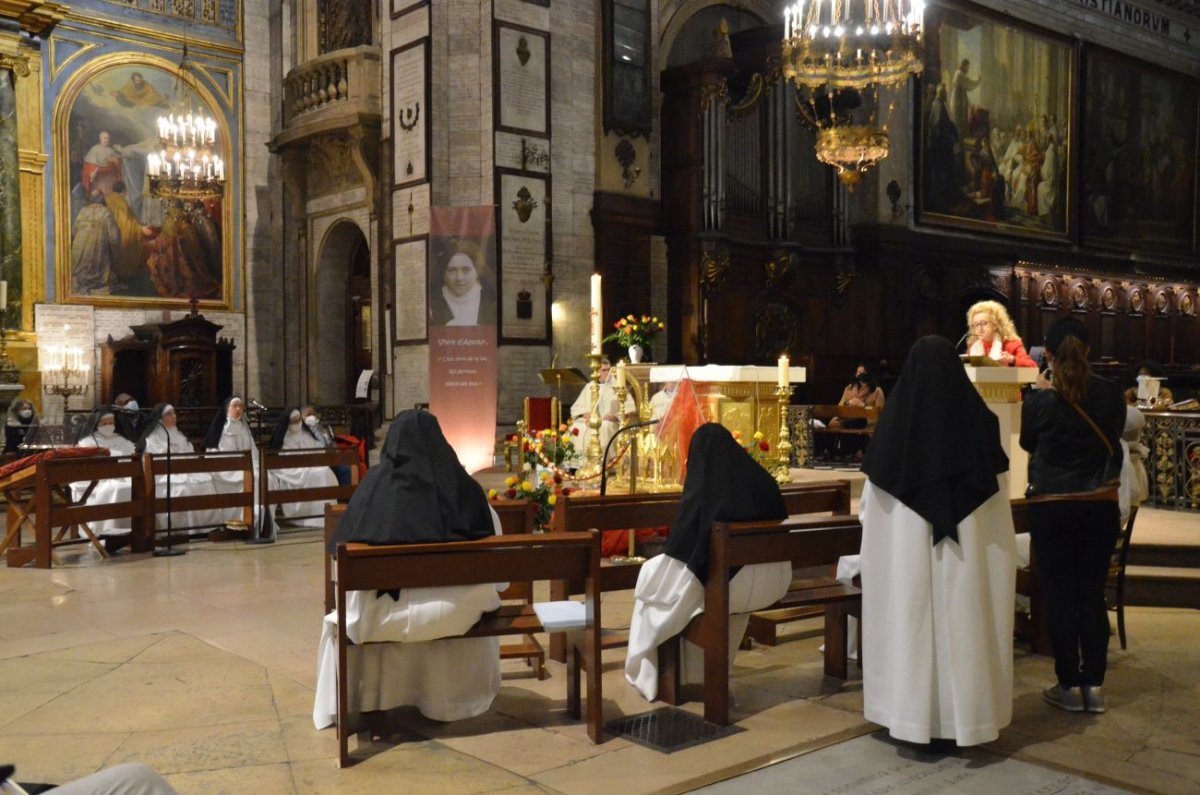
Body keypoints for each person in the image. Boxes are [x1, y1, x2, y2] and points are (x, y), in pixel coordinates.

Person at [859, 336, 1015, 746]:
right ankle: (968, 718)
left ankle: (909, 715)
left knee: (908, 622)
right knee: (967, 624)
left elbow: (871, 510)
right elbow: (998, 507)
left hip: (907, 557)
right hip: (968, 553)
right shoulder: (982, 425)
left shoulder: (893, 430)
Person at [313, 411, 506, 727]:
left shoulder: (372, 489)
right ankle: (449, 699)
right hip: (453, 615)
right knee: (471, 599)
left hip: (380, 619)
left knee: (360, 607)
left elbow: (340, 559)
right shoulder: (468, 490)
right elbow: (498, 575)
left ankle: (376, 696)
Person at [624, 423, 792, 701]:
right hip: (774, 581)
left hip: (732, 589)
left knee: (652, 584)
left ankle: (649, 672)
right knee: (694, 581)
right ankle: (699, 674)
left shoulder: (708, 490)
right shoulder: (764, 481)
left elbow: (682, 551)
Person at [1021, 317, 1125, 714]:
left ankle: (1067, 685)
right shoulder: (1111, 394)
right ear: (1089, 353)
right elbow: (1113, 437)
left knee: (1060, 596)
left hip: (1051, 506)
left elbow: (1030, 443)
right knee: (1091, 594)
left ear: (1046, 354)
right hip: (1099, 504)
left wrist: (1046, 393)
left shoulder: (1039, 401)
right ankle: (1094, 687)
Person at [138, 403, 224, 532]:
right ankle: (184, 529)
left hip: (184, 471)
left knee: (206, 484)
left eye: (174, 413)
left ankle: (206, 528)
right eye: (169, 414)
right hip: (163, 475)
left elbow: (190, 455)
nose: (173, 416)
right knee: (183, 490)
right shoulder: (152, 439)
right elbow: (153, 461)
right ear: (160, 418)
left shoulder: (179, 435)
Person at [72, 408, 137, 552]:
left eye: (111, 422)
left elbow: (132, 458)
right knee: (115, 489)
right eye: (104, 423)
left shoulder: (122, 440)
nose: (108, 425)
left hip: (123, 476)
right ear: (96, 424)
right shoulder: (87, 441)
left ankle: (133, 531)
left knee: (134, 486)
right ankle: (109, 531)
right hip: (96, 481)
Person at [267, 408, 338, 527]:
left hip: (310, 466)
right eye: (294, 421)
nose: (297, 423)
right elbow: (284, 459)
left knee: (325, 472)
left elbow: (321, 447)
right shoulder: (284, 437)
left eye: (299, 420)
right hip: (293, 470)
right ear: (288, 423)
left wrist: (316, 427)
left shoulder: (306, 432)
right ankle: (306, 517)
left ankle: (325, 515)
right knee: (320, 473)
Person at [567, 357, 635, 466]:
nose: (607, 372)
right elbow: (576, 408)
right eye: (604, 370)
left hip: (609, 422)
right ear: (597, 372)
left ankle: (602, 464)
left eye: (609, 369)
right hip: (590, 421)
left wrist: (614, 416)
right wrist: (584, 413)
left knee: (604, 427)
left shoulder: (618, 387)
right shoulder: (589, 387)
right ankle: (579, 464)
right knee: (575, 428)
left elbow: (628, 408)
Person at [203, 396, 258, 523]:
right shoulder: (220, 430)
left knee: (266, 478)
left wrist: (254, 464)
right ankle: (241, 519)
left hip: (246, 468)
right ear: (227, 409)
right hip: (225, 470)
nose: (238, 409)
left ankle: (258, 519)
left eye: (241, 406)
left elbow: (253, 451)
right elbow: (212, 456)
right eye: (235, 406)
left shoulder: (244, 428)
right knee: (253, 479)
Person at [428, 249, 497, 326]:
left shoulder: (491, 303)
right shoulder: (431, 305)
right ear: (444, 274)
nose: (459, 278)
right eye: (452, 270)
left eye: (466, 270)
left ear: (477, 272)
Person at [71, 191, 120, 294]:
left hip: (79, 255)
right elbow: (114, 237)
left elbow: (73, 232)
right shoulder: (105, 212)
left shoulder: (82, 211)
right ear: (102, 199)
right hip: (98, 254)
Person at [965, 300, 1037, 367]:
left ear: (995, 325)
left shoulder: (1011, 345)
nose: (979, 328)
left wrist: (1013, 360)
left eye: (983, 323)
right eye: (976, 324)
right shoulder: (973, 348)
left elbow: (1033, 366)